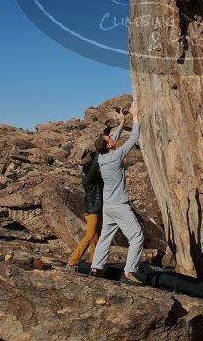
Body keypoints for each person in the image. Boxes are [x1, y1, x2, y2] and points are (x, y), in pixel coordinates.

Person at [89, 100, 144, 285]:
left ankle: (96, 267)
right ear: (109, 146)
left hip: (108, 206)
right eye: (110, 140)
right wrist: (135, 115)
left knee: (105, 237)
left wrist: (121, 122)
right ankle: (129, 272)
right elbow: (134, 136)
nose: (112, 138)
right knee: (136, 237)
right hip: (119, 206)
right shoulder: (116, 156)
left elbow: (112, 136)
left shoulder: (102, 157)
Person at [67, 127, 112, 269]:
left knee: (95, 238)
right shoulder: (88, 180)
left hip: (98, 210)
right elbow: (94, 167)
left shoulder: (98, 179)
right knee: (90, 235)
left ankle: (94, 262)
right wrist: (101, 147)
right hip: (92, 211)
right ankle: (73, 260)